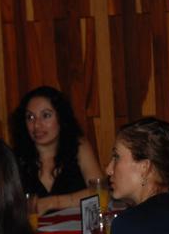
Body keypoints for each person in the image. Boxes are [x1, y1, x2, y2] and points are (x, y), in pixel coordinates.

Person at [11, 86, 104, 214]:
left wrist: (52, 202)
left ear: (61, 117)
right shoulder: (15, 158)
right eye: (30, 117)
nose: (36, 125)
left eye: (46, 115)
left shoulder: (79, 146)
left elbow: (100, 191)